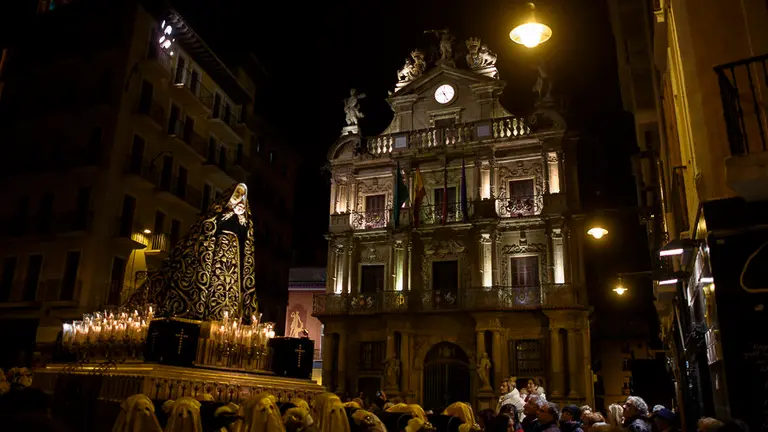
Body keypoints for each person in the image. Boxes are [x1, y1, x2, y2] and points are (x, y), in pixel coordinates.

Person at [126, 183, 258, 321]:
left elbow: (247, 242)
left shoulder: (245, 219)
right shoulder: (218, 212)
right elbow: (206, 228)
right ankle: (208, 313)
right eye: (237, 193)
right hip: (216, 255)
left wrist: (243, 222)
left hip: (233, 260)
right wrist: (225, 216)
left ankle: (227, 317)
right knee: (214, 285)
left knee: (229, 289)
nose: (239, 197)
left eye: (242, 195)